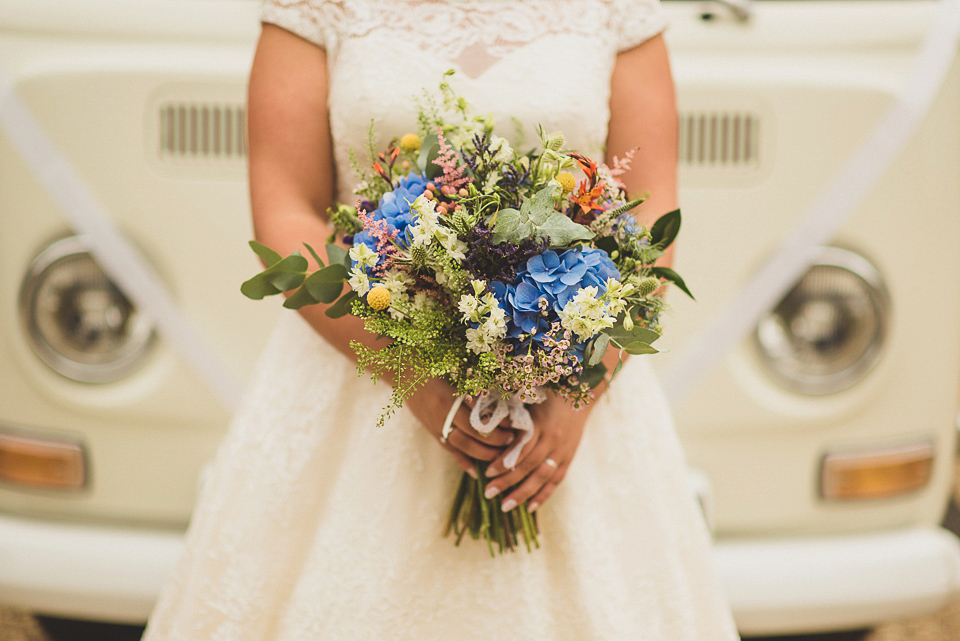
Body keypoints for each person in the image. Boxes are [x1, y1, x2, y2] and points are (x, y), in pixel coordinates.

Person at [143, 1, 740, 639]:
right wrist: (416, 379)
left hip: (570, 373)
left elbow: (648, 211)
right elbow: (288, 210)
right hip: (365, 357)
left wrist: (581, 388)